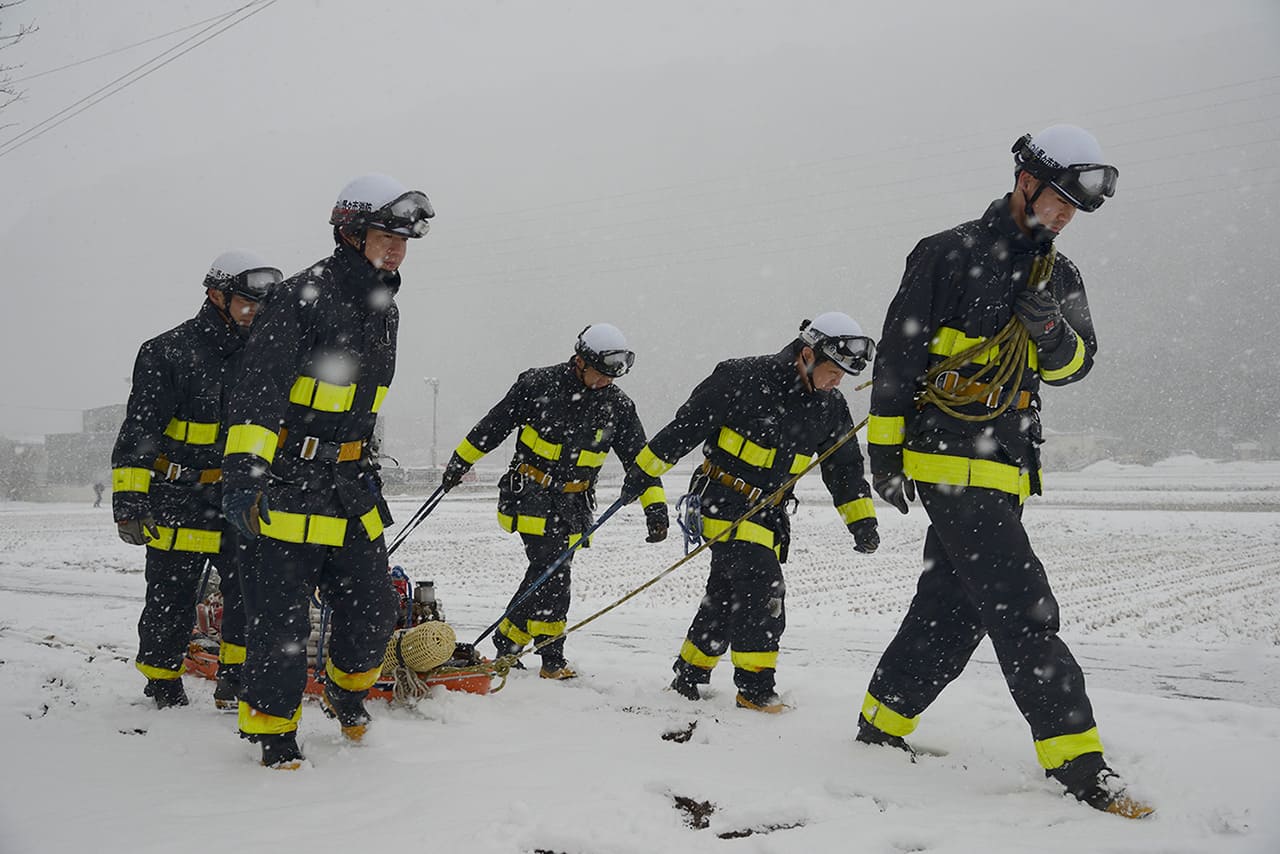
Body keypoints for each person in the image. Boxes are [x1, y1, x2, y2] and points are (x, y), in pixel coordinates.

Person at [856, 125, 1151, 818]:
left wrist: (1049, 329)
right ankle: (1077, 761)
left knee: (952, 610)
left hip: (1010, 464)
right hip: (947, 460)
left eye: (1074, 209)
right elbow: (898, 362)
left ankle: (880, 723)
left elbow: (1076, 366)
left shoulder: (1063, 276)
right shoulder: (946, 253)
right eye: (1058, 200)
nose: (1064, 217)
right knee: (1024, 607)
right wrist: (885, 456)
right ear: (1025, 182)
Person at [221, 173, 433, 769]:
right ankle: (274, 732)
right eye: (384, 234)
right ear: (350, 233)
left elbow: (358, 405)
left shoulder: (385, 305)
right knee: (279, 624)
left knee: (374, 610)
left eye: (403, 238)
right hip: (286, 483)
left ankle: (345, 691)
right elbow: (257, 392)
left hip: (349, 486)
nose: (396, 248)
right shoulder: (299, 295)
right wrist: (244, 471)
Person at [620, 312, 878, 713]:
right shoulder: (740, 377)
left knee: (726, 593)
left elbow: (843, 468)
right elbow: (685, 428)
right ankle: (755, 689)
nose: (836, 382)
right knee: (762, 587)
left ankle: (689, 673)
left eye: (843, 376)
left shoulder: (831, 406)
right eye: (832, 371)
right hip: (721, 501)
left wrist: (861, 521)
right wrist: (642, 472)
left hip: (768, 514)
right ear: (807, 354)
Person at [440, 323, 668, 679]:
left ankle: (508, 640)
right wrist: (461, 460)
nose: (605, 383)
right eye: (599, 374)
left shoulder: (618, 405)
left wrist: (655, 507)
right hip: (529, 493)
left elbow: (641, 461)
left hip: (574, 505)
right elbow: (494, 426)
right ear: (580, 361)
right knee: (553, 570)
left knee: (547, 570)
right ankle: (551, 657)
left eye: (612, 377)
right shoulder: (537, 385)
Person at [110, 250, 281, 710]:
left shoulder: (268, 355)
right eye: (248, 301)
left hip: (239, 496)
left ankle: (236, 677)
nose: (257, 312)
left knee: (250, 592)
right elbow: (140, 432)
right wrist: (130, 500)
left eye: (264, 304)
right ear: (216, 295)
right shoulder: (166, 352)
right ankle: (163, 683)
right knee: (171, 596)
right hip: (177, 497)